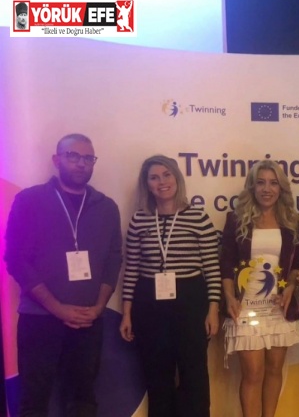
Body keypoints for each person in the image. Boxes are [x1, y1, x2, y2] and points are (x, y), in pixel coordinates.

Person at [4, 133, 122, 416]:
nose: (81, 163)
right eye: (73, 156)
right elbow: (15, 258)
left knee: (83, 398)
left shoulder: (107, 207)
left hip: (88, 320)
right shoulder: (29, 200)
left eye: (88, 158)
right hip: (39, 319)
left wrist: (98, 308)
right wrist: (57, 307)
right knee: (34, 398)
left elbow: (113, 259)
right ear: (57, 160)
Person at [119, 155, 220, 417]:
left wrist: (213, 309)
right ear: (147, 184)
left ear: (176, 178)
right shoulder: (139, 220)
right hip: (149, 303)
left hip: (190, 301)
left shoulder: (198, 217)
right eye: (154, 177)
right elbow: (131, 269)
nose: (161, 182)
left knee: (193, 374)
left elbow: (212, 268)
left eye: (167, 175)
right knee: (157, 375)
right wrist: (127, 313)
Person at [220, 159, 299, 417]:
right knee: (253, 373)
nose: (267, 189)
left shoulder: (292, 220)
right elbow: (226, 263)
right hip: (246, 307)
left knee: (274, 370)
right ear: (252, 187)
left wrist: (291, 286)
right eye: (261, 183)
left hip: (278, 307)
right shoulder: (236, 219)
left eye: (273, 183)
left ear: (281, 188)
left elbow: (298, 263)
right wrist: (229, 297)